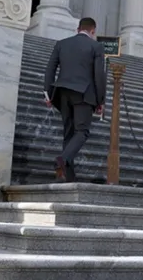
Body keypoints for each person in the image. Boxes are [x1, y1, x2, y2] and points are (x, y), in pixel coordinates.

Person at [43, 17, 107, 182]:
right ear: (93, 31)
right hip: (84, 94)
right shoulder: (96, 46)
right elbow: (99, 76)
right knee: (82, 131)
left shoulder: (61, 44)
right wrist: (101, 101)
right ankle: (62, 160)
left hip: (62, 93)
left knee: (69, 133)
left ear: (77, 29)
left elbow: (50, 69)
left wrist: (48, 94)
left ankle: (66, 176)